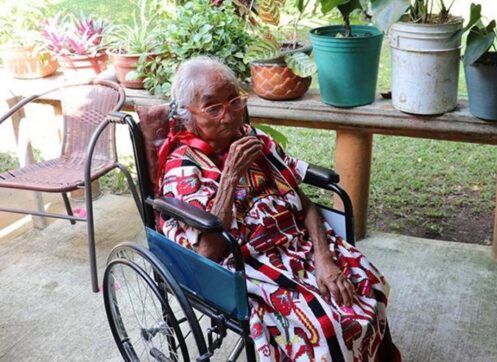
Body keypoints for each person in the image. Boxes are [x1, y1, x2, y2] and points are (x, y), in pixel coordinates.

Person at [156, 56, 400, 362]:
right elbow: (208, 254)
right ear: (187, 116)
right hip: (247, 264)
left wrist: (324, 259)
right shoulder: (183, 168)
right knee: (323, 324)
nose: (229, 116)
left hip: (302, 246)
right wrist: (230, 176)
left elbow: (304, 203)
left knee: (369, 283)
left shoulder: (256, 141)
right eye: (213, 107)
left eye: (234, 101)